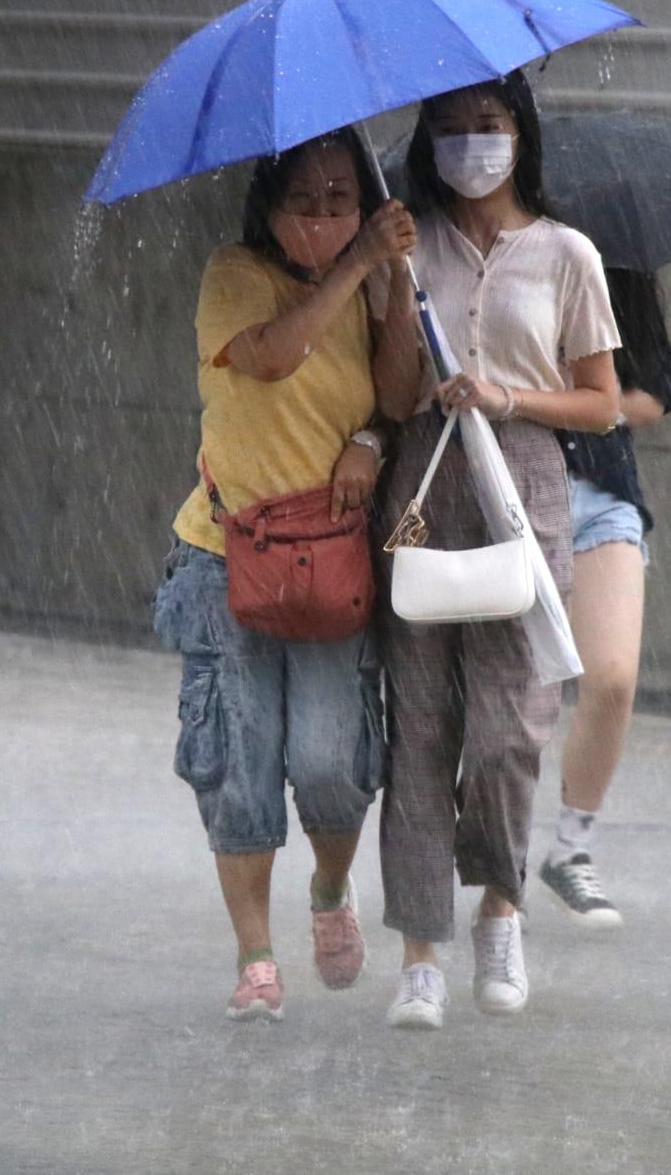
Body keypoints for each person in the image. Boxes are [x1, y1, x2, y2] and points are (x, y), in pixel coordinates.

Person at [151, 130, 421, 1022]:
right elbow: (273, 355)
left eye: (342, 198)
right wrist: (355, 264)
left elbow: (399, 394)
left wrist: (392, 298)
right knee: (239, 759)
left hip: (332, 552)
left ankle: (330, 886)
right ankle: (256, 953)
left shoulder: (374, 276)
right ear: (267, 206)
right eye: (303, 199)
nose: (323, 215)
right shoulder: (234, 274)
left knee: (332, 762)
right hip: (230, 555)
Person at [375, 71, 621, 1029]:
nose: (470, 144)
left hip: (525, 477)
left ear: (520, 132)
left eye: (487, 124)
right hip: (425, 477)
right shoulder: (409, 241)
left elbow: (601, 402)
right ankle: (421, 954)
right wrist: (394, 287)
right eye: (448, 128)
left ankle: (502, 908)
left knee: (514, 723)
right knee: (423, 725)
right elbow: (392, 396)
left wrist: (508, 396)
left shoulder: (567, 254)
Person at [539, 268, 671, 930]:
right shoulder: (472, 249)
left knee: (614, 677)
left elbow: (654, 393)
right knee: (508, 694)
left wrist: (595, 399)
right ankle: (488, 859)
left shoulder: (613, 263)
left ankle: (572, 845)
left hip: (602, 489)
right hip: (503, 487)